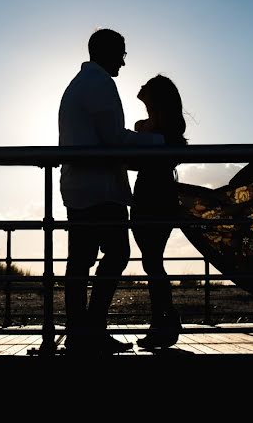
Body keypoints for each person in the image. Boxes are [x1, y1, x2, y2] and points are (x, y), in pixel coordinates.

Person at [58, 28, 163, 355]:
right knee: (115, 254)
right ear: (107, 52)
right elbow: (114, 140)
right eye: (122, 53)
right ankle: (90, 328)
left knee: (81, 260)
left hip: (81, 186)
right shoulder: (101, 84)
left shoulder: (79, 84)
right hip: (100, 189)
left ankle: (81, 330)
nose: (124, 61)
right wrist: (158, 142)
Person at [132, 75, 187, 349]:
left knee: (152, 261)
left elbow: (136, 155)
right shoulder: (160, 126)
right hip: (154, 194)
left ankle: (164, 321)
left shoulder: (156, 127)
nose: (140, 88)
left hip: (152, 195)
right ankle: (163, 320)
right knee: (152, 261)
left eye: (146, 86)